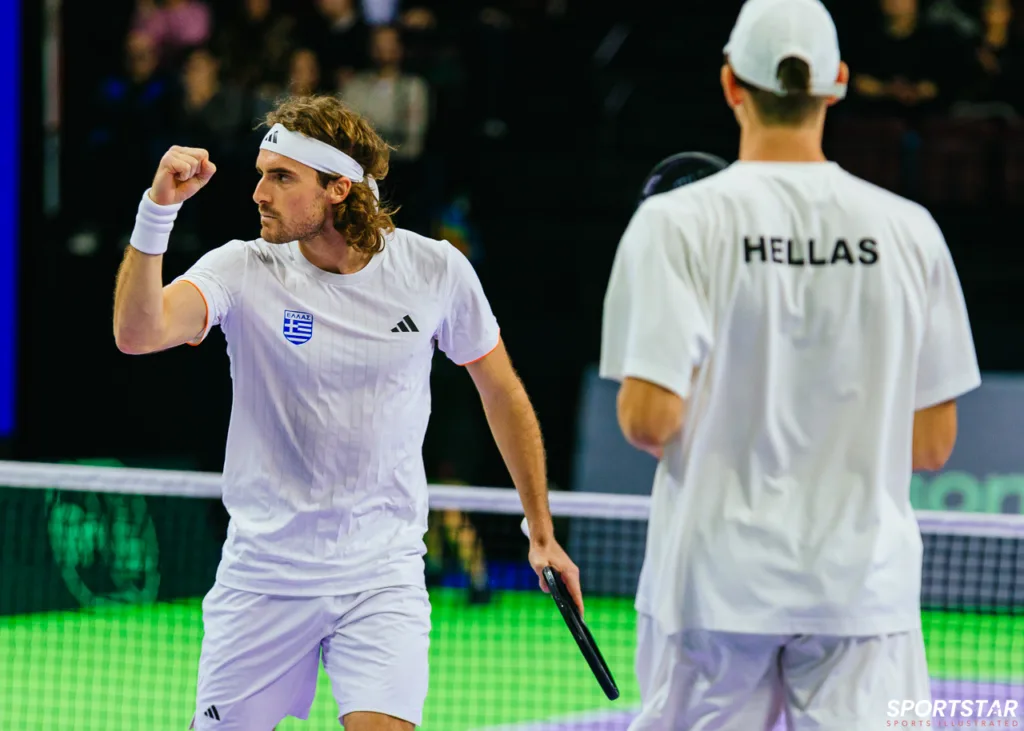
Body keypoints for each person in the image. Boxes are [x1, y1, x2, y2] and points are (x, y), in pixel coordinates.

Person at [112, 93, 582, 731]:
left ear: (337, 188)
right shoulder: (241, 268)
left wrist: (542, 529)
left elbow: (501, 392)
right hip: (263, 578)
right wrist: (156, 213)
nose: (259, 193)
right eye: (260, 174)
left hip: (381, 574)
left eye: (281, 177)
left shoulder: (434, 269)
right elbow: (138, 333)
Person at [599, 0, 981, 729]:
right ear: (837, 83)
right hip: (861, 591)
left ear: (731, 85)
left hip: (713, 587)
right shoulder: (910, 232)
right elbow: (932, 445)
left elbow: (650, 420)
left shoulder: (675, 224)